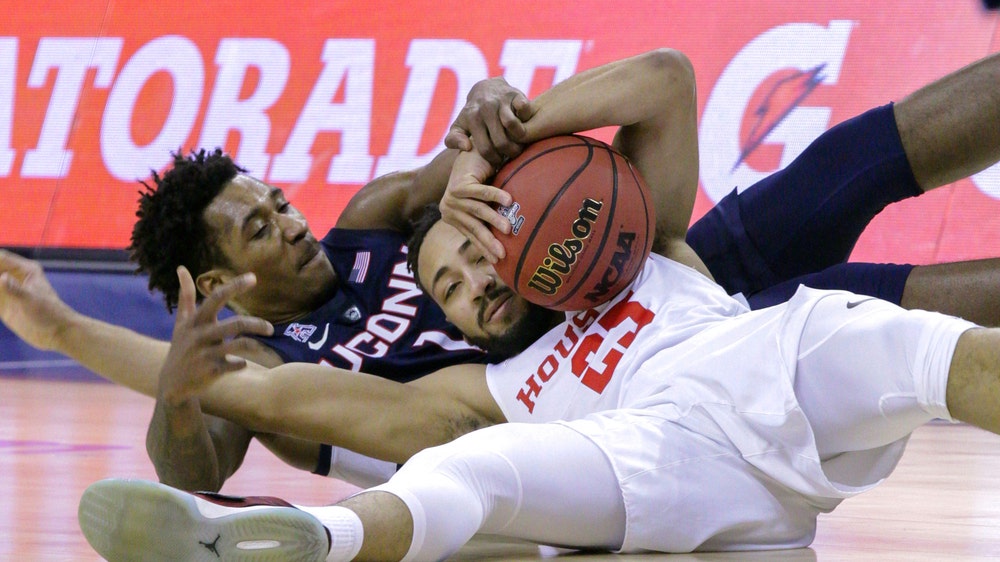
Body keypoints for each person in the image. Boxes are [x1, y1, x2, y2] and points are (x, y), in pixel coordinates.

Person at [79, 49, 1000, 561]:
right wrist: (147, 371)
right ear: (214, 279)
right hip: (609, 417)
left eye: (274, 200)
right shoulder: (323, 372)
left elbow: (643, 89)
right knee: (472, 487)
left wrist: (497, 121)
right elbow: (208, 441)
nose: (285, 221)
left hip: (629, 288)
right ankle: (310, 543)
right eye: (255, 230)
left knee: (856, 208)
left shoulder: (380, 222)